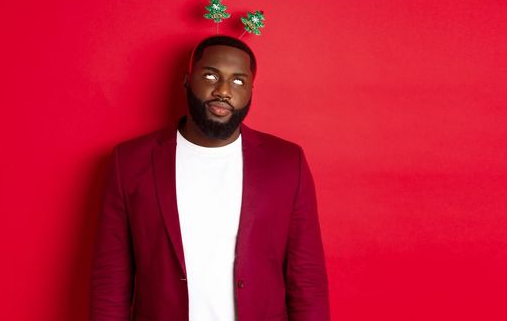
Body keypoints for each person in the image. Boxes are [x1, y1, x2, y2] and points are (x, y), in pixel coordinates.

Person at [90, 35, 330, 321]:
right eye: (210, 75)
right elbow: (111, 278)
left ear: (251, 91)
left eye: (238, 81)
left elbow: (306, 278)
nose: (224, 91)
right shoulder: (129, 162)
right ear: (186, 80)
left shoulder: (287, 163)